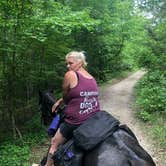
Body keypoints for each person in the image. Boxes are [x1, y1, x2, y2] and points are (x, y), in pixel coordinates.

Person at [45, 51, 100, 166]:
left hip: (76, 121)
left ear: (80, 62)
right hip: (93, 117)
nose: (68, 66)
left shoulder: (70, 75)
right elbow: (80, 94)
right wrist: (59, 100)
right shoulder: (91, 78)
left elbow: (66, 98)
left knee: (54, 142)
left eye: (70, 63)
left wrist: (61, 100)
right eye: (67, 63)